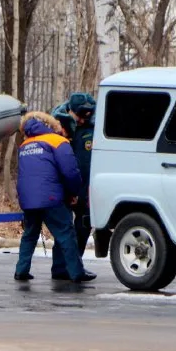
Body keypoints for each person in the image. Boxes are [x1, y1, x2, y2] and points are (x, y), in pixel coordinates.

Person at [14, 111, 96, 283]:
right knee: (66, 234)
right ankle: (76, 272)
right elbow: (70, 172)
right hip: (52, 199)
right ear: (51, 125)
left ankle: (21, 270)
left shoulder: (25, 145)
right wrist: (73, 192)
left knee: (29, 234)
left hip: (28, 199)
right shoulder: (57, 141)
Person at [67, 93, 96, 257]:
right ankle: (63, 266)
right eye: (78, 116)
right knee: (65, 227)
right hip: (68, 183)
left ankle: (75, 261)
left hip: (87, 186)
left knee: (85, 222)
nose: (82, 120)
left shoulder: (94, 126)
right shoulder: (63, 124)